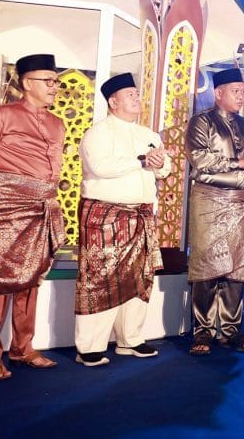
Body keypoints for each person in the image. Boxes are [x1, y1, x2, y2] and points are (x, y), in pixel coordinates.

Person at [0, 54, 65, 380]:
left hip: (42, 209)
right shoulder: (0, 116)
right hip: (5, 209)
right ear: (27, 83)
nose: (54, 87)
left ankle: (23, 348)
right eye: (48, 81)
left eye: (56, 81)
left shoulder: (57, 123)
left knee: (31, 280)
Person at [74, 73, 171, 367]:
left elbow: (164, 170)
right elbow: (100, 167)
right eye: (130, 94)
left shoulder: (148, 134)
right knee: (100, 279)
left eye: (137, 94)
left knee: (140, 276)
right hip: (106, 215)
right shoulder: (97, 133)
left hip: (141, 214)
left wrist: (159, 163)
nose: (136, 98)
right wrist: (141, 160)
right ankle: (89, 346)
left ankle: (131, 339)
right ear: (113, 102)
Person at [185, 68, 244, 355]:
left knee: (237, 269)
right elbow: (199, 159)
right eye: (236, 91)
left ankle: (231, 329)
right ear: (218, 93)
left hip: (240, 202)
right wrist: (238, 163)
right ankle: (203, 330)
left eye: (243, 91)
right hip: (210, 201)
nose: (241, 96)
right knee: (207, 267)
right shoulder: (201, 121)